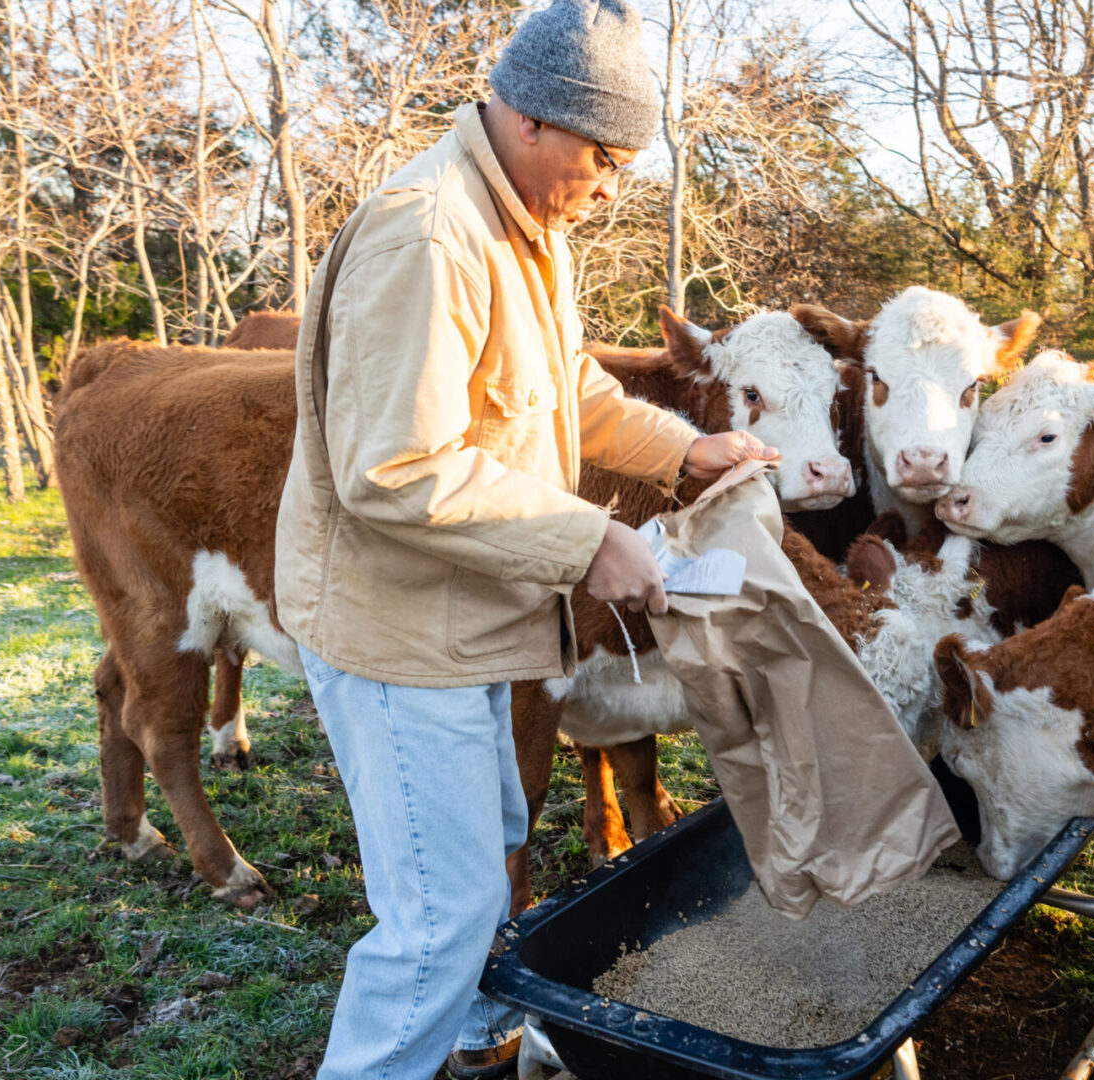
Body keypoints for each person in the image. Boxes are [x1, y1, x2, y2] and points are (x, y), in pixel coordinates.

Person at [273, 2, 778, 1077]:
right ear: (536, 120)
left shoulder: (523, 229)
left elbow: (569, 396)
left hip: (461, 625)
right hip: (398, 638)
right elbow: (395, 469)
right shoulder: (431, 236)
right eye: (604, 159)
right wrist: (592, 544)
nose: (610, 189)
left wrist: (685, 454)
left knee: (492, 834)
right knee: (436, 920)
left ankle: (467, 1038)